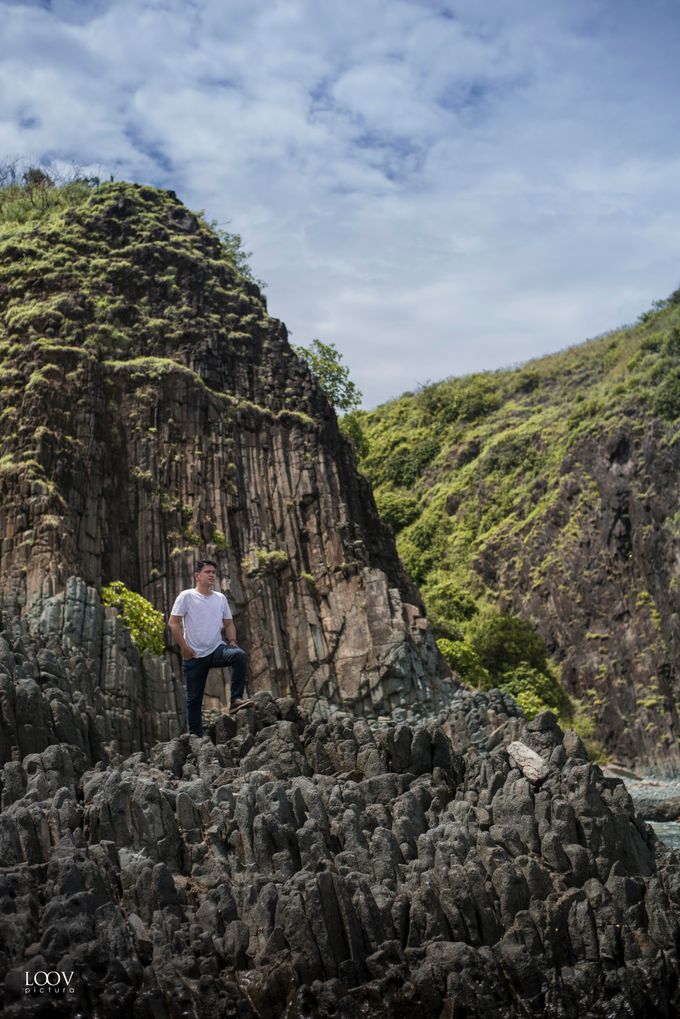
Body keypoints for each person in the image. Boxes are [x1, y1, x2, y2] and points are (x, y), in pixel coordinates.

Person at [169, 559, 252, 736]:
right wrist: (184, 648)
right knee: (194, 700)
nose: (212, 575)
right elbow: (173, 623)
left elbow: (229, 623)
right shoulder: (186, 596)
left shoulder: (220, 599)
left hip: (216, 650)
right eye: (207, 572)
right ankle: (195, 738)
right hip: (193, 656)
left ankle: (236, 700)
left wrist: (232, 640)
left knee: (239, 656)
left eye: (213, 572)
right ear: (197, 576)